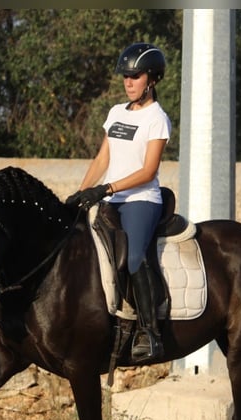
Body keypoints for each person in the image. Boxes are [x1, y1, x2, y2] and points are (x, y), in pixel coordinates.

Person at [66, 42, 171, 363]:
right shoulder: (115, 113)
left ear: (151, 79)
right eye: (125, 76)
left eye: (135, 76)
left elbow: (148, 170)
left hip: (141, 200)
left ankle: (149, 332)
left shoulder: (157, 118)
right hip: (110, 197)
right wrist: (81, 192)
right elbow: (102, 158)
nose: (128, 82)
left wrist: (107, 188)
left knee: (135, 258)